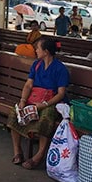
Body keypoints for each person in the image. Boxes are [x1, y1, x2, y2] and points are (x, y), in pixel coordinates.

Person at [7, 37, 69, 170]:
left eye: (38, 48)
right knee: (15, 113)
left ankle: (39, 155)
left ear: (46, 51)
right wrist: (23, 101)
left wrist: (45, 104)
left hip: (51, 102)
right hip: (33, 99)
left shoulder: (60, 69)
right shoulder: (36, 65)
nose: (35, 50)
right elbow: (29, 85)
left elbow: (60, 94)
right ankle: (17, 151)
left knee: (46, 117)